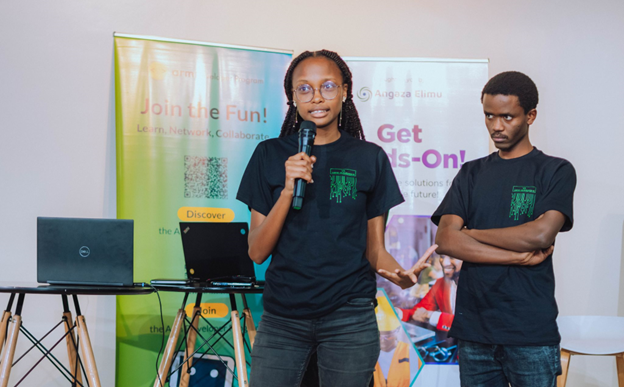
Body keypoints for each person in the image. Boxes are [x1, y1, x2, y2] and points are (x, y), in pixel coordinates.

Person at [236, 50, 436, 387]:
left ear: (345, 91)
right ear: (293, 97)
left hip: (349, 317)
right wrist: (287, 190)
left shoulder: (369, 158)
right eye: (304, 88)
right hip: (283, 318)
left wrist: (401, 275)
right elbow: (257, 251)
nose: (316, 97)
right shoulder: (269, 155)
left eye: (328, 86)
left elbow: (375, 249)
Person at [433, 71, 576, 387]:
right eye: (489, 116)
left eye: (508, 117)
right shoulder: (471, 173)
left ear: (530, 115)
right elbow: (445, 239)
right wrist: (515, 257)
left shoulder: (555, 170)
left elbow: (540, 235)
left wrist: (469, 233)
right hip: (474, 330)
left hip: (530, 332)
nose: (496, 126)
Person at [399, 255, 461, 332]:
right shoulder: (441, 283)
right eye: (442, 257)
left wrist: (431, 316)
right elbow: (420, 310)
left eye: (452, 257)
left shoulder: (477, 284)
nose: (444, 263)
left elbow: (471, 324)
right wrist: (396, 313)